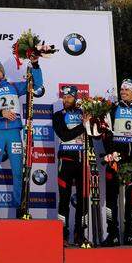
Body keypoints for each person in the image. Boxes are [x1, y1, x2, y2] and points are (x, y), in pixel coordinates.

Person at [0, 56, 43, 219]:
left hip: (14, 133)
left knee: (17, 172)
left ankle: (20, 207)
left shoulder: (14, 87)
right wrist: (0, 113)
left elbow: (36, 85)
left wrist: (35, 64)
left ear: (3, 72)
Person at [101, 79, 132, 246]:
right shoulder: (113, 109)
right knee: (111, 196)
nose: (123, 92)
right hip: (115, 158)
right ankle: (112, 234)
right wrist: (109, 153)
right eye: (121, 90)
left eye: (127, 90)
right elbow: (105, 132)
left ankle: (130, 233)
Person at [52, 85, 85, 245]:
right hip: (65, 161)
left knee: (82, 199)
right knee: (64, 199)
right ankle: (62, 235)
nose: (66, 100)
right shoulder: (58, 116)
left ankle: (80, 234)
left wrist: (92, 122)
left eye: (69, 97)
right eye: (64, 97)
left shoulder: (84, 114)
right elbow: (65, 136)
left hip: (82, 161)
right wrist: (83, 126)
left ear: (75, 98)